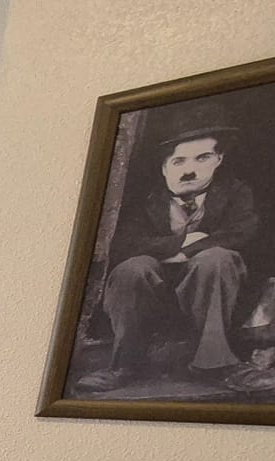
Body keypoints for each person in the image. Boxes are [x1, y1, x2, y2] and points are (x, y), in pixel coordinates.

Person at [83, 100, 259, 392]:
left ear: (219, 159)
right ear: (164, 167)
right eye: (179, 161)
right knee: (132, 268)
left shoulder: (236, 192)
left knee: (216, 258)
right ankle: (124, 364)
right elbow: (124, 244)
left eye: (202, 158)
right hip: (153, 299)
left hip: (216, 295)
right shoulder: (145, 201)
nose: (190, 170)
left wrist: (186, 253)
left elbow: (242, 233)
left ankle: (217, 363)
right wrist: (179, 244)